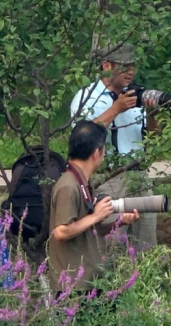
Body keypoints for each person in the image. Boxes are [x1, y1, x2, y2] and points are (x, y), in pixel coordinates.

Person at [70, 42, 158, 251]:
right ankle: (112, 284)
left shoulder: (134, 97)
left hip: (138, 175)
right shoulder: (86, 98)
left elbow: (151, 140)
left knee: (146, 243)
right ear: (106, 65)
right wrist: (116, 109)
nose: (130, 72)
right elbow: (84, 137)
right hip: (108, 178)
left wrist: (153, 113)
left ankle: (145, 281)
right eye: (124, 66)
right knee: (111, 244)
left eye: (133, 66)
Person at [48, 120, 140, 296]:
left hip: (90, 281)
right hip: (73, 287)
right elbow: (61, 231)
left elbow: (88, 230)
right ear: (96, 153)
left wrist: (119, 222)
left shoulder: (83, 181)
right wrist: (96, 216)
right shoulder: (68, 185)